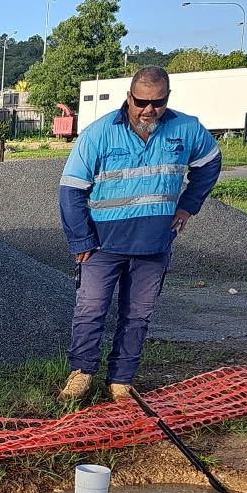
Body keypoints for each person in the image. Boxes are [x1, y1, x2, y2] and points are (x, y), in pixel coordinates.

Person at [57, 65, 221, 401]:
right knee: (90, 310)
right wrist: (81, 240)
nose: (149, 109)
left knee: (138, 314)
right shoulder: (99, 133)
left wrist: (189, 205)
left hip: (153, 244)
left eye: (157, 102)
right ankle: (81, 374)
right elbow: (70, 189)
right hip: (102, 245)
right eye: (142, 101)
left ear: (167, 98)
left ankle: (121, 380)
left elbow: (210, 163)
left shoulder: (186, 130)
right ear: (129, 97)